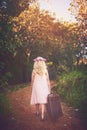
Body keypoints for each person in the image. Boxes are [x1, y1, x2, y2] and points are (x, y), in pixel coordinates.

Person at [30, 56, 51, 121]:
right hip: (44, 86)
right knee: (43, 101)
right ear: (43, 63)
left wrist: (31, 88)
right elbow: (48, 80)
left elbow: (32, 81)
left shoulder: (34, 71)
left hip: (37, 86)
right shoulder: (45, 70)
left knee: (37, 98)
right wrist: (49, 88)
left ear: (36, 63)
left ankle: (37, 112)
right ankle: (42, 115)